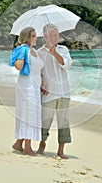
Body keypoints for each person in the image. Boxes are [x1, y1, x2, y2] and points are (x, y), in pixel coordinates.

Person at [37, 24, 72, 159]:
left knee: (64, 122)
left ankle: (61, 150)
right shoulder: (39, 52)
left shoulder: (63, 49)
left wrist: (54, 53)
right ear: (45, 37)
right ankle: (42, 144)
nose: (56, 37)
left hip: (64, 92)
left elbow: (66, 65)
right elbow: (37, 71)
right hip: (49, 93)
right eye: (53, 35)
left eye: (57, 35)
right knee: (45, 121)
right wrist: (42, 82)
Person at [10, 27, 44, 156]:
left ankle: (18, 143)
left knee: (31, 113)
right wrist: (21, 58)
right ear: (27, 37)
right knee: (28, 114)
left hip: (35, 86)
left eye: (35, 35)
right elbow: (18, 66)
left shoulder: (33, 50)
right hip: (26, 85)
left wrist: (43, 82)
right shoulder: (23, 49)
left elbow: (37, 69)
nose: (36, 38)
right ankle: (27, 148)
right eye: (33, 36)